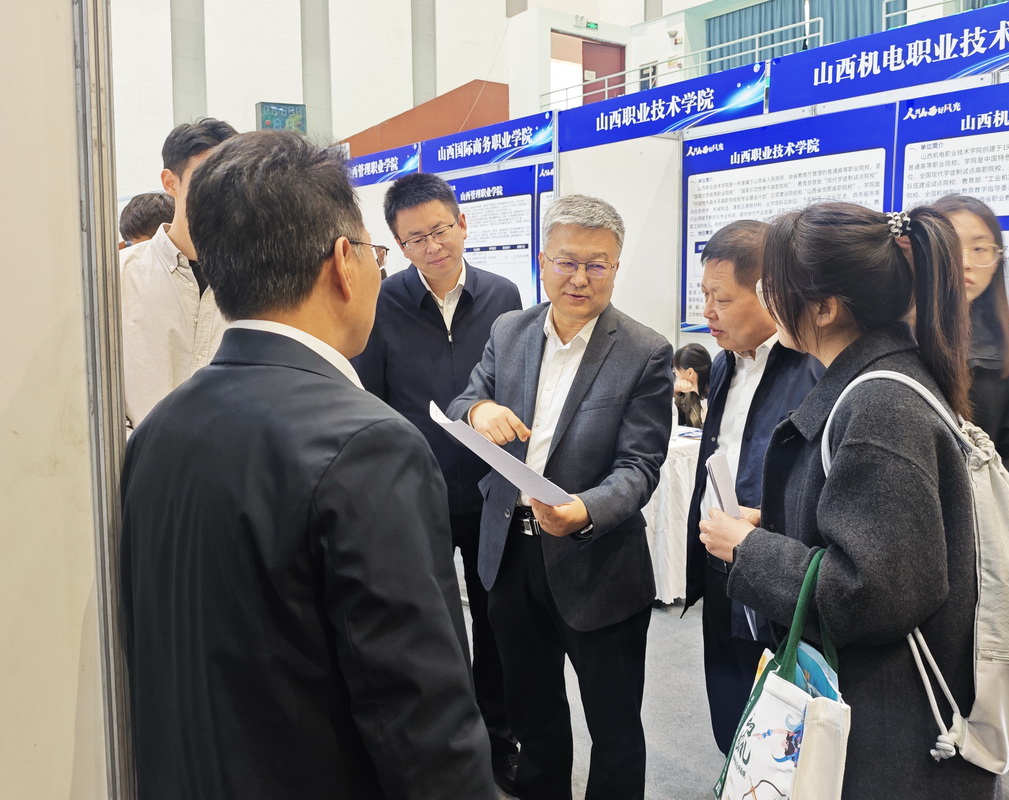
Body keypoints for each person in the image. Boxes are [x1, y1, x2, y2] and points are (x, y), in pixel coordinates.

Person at [119, 130, 494, 800]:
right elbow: (423, 724)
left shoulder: (159, 429)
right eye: (379, 252)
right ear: (345, 262)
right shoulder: (367, 444)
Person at [699, 202, 999, 799]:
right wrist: (778, 526)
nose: (766, 298)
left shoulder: (879, 405)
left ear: (825, 307)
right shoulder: (877, 384)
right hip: (877, 711)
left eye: (773, 284)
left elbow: (874, 591)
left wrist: (751, 550)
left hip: (884, 729)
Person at [447, 194, 673, 800]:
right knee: (533, 714)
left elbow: (640, 466)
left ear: (616, 267)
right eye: (567, 262)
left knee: (614, 727)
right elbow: (464, 400)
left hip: (598, 561)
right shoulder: (510, 331)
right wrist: (480, 409)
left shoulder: (645, 351)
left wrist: (586, 510)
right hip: (510, 554)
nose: (580, 278)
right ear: (543, 261)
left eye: (597, 265)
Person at [351, 171, 523, 793]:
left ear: (463, 224)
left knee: (496, 622)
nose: (433, 246)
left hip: (490, 491)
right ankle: (443, 742)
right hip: (413, 493)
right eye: (415, 238)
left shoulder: (504, 295)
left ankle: (498, 738)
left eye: (441, 230)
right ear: (398, 245)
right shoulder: (382, 300)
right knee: (427, 623)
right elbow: (369, 398)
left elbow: (513, 386)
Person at [680, 219, 823, 754]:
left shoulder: (813, 370)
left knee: (779, 731)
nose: (708, 313)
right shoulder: (723, 364)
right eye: (704, 296)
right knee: (729, 717)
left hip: (774, 572)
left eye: (721, 299)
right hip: (720, 564)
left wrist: (765, 523)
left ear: (770, 294)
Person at [120, 117, 238, 429]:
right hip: (137, 456)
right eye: (206, 180)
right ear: (171, 182)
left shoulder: (258, 281)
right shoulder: (118, 276)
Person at [934, 195, 1009, 483]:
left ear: (997, 261)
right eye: (950, 246)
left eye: (980, 248)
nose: (965, 262)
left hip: (979, 500)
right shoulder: (895, 332)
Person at [672, 342, 712, 427]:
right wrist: (675, 392)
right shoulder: (690, 395)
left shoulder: (716, 398)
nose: (676, 374)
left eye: (676, 370)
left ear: (690, 372)